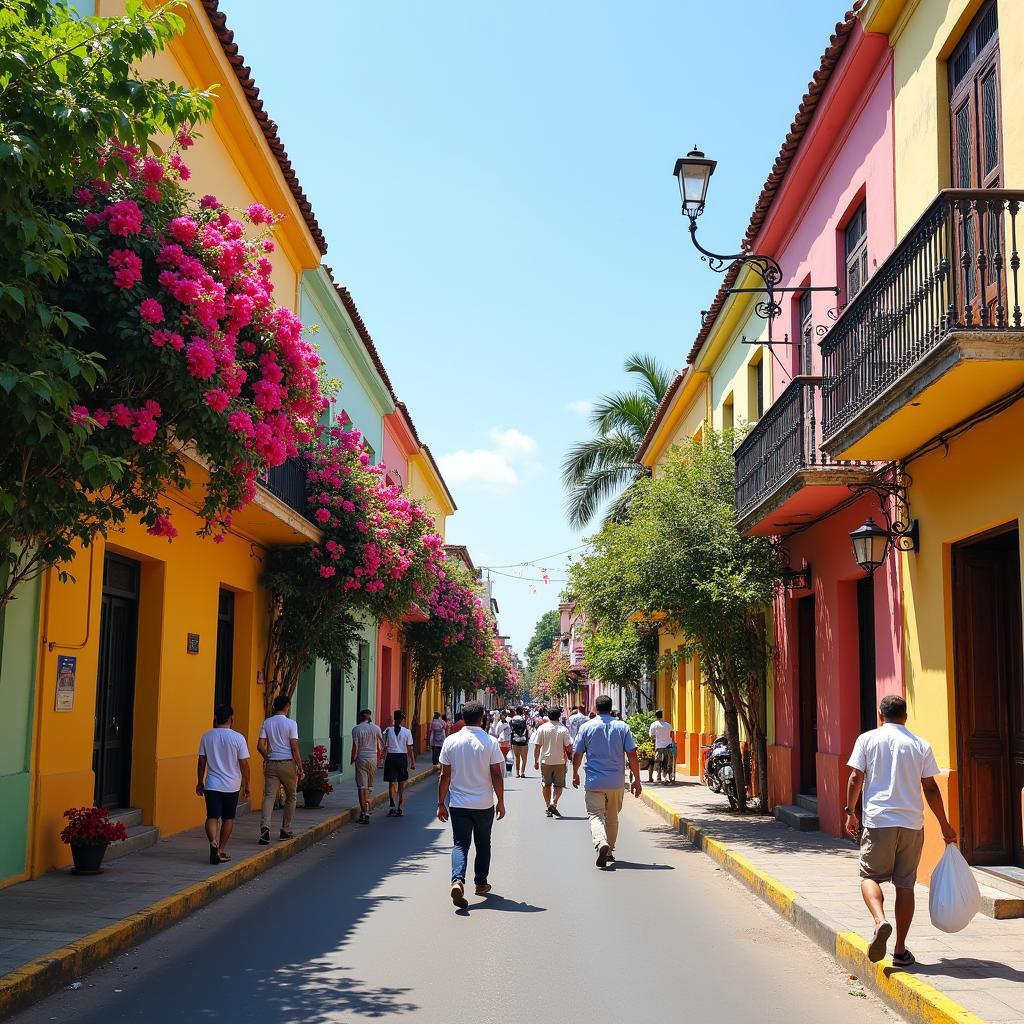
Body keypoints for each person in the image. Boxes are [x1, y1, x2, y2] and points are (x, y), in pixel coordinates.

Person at [845, 694, 956, 967]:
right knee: (905, 886)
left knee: (869, 876)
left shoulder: (867, 739)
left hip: (879, 821)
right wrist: (944, 825)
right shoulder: (920, 744)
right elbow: (930, 787)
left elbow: (855, 777)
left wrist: (850, 811)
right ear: (905, 716)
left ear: (880, 715)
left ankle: (880, 921)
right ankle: (900, 949)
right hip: (911, 824)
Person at [437, 701, 506, 908]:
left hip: (458, 804)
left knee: (460, 844)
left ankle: (457, 880)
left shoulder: (451, 741)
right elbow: (496, 773)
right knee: (483, 843)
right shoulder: (490, 742)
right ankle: (480, 883)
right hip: (484, 804)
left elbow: (444, 775)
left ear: (463, 718)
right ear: (482, 718)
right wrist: (501, 801)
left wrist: (441, 803)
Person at [573, 694, 642, 867]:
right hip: (616, 782)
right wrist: (637, 780)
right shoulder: (622, 727)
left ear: (595, 708)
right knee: (612, 817)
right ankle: (609, 850)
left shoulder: (586, 727)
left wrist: (574, 772)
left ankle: (601, 842)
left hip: (594, 781)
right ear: (611, 709)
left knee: (595, 815)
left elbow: (578, 753)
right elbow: (632, 754)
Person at [196, 704, 250, 864]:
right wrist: (248, 784)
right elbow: (244, 764)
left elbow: (201, 761)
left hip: (212, 784)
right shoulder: (238, 738)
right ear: (231, 719)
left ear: (215, 719)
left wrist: (200, 781)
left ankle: (212, 841)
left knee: (212, 816)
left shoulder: (206, 736)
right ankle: (220, 850)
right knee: (228, 818)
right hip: (231, 785)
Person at [257, 694, 304, 845]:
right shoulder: (291, 724)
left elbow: (260, 745)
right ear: (287, 707)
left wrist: (268, 756)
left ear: (274, 707)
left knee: (269, 796)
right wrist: (300, 767)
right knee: (291, 797)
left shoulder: (267, 722)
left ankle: (265, 827)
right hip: (287, 763)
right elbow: (294, 747)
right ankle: (285, 829)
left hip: (272, 763)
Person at [534, 706, 573, 817]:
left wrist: (536, 761)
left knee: (546, 785)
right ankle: (553, 803)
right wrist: (570, 757)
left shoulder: (542, 728)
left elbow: (537, 746)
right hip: (560, 761)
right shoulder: (563, 729)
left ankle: (548, 806)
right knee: (559, 785)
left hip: (545, 761)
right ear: (559, 716)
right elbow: (568, 746)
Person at [351, 708, 385, 824]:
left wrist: (352, 758)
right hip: (373, 759)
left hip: (361, 758)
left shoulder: (356, 729)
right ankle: (367, 809)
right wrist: (380, 757)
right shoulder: (376, 728)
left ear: (360, 717)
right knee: (369, 787)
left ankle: (364, 813)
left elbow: (355, 746)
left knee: (362, 786)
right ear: (370, 716)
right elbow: (382, 744)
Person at [383, 710, 416, 817]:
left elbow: (385, 746)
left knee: (392, 782)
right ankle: (400, 806)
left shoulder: (388, 730)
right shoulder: (407, 731)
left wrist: (382, 758)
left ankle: (392, 806)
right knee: (401, 782)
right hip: (402, 757)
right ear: (402, 720)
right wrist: (413, 761)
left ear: (394, 718)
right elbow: (410, 748)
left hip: (391, 757)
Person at [648, 710, 674, 784]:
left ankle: (657, 778)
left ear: (656, 716)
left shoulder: (654, 725)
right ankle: (664, 777)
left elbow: (651, 736)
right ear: (662, 715)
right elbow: (671, 735)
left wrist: (656, 737)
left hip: (659, 746)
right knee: (665, 762)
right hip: (667, 746)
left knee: (657, 762)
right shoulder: (668, 725)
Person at [509, 706, 530, 777]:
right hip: (524, 741)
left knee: (516, 757)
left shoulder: (512, 720)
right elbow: (527, 729)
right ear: (522, 712)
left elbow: (510, 731)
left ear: (516, 712)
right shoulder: (524, 720)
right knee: (524, 758)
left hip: (515, 740)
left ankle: (517, 773)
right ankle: (522, 772)